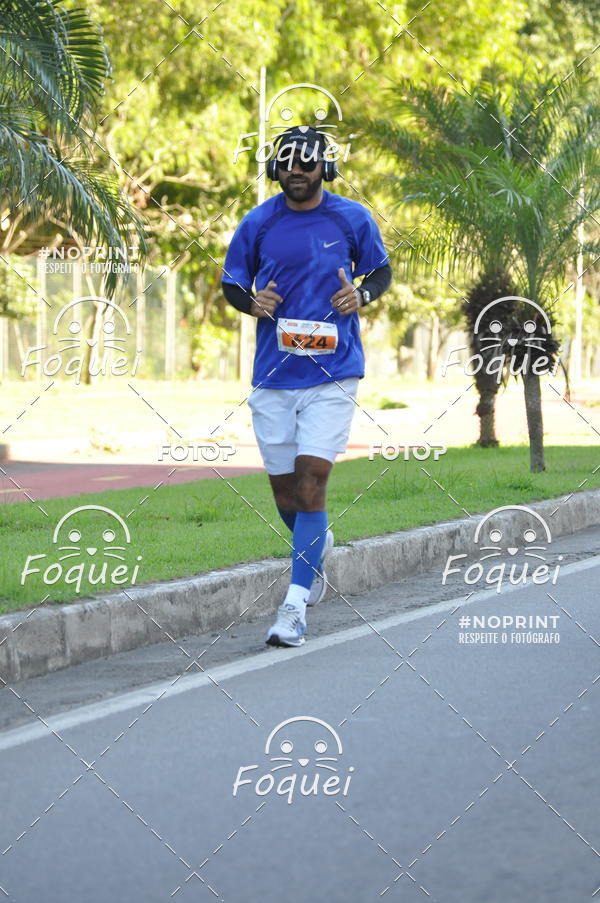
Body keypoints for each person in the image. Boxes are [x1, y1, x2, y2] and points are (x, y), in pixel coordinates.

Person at [222, 125, 392, 647]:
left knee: (312, 481)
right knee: (285, 491)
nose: (297, 169)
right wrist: (251, 303)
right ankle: (314, 547)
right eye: (287, 161)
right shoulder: (258, 222)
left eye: (308, 161)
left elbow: (381, 272)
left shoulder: (351, 217)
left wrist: (361, 295)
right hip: (274, 375)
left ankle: (293, 607)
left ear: (326, 167)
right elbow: (232, 281)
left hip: (334, 372)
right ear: (276, 168)